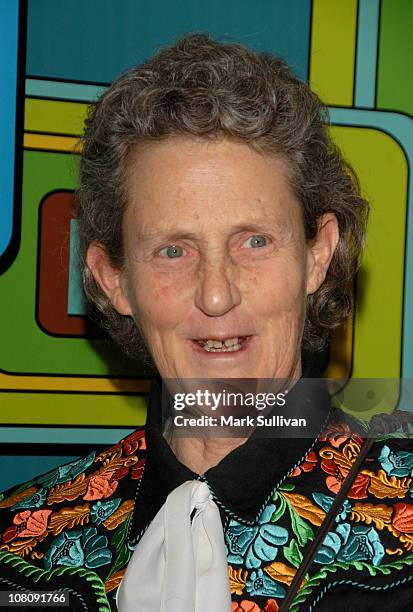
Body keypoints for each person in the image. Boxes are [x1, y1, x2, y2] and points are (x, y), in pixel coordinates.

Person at [1, 34, 412, 612]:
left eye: (255, 241)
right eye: (174, 250)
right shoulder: (24, 541)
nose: (216, 295)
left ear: (317, 254)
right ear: (112, 278)